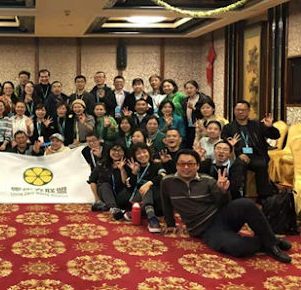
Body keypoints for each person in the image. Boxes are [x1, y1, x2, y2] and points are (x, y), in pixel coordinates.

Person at [161, 149, 291, 263]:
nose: (186, 167)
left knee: (246, 203)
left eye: (190, 164)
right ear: (176, 165)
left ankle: (272, 245)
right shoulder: (167, 182)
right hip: (205, 229)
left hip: (221, 216)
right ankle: (270, 240)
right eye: (182, 164)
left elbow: (223, 203)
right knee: (238, 247)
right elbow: (166, 202)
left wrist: (223, 191)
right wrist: (170, 223)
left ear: (197, 166)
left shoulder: (207, 180)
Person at [221, 101, 280, 202]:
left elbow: (275, 136)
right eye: (237, 110)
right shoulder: (228, 128)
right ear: (234, 111)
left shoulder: (257, 125)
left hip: (256, 155)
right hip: (238, 156)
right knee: (240, 164)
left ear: (248, 111)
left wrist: (270, 127)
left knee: (261, 164)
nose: (240, 112)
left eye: (243, 110)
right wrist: (238, 154)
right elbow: (225, 143)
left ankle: (264, 196)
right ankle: (239, 196)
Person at [114, 143, 165, 233]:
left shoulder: (156, 166)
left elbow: (163, 175)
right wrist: (134, 173)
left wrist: (149, 183)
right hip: (138, 198)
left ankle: (138, 214)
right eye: (138, 153)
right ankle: (150, 217)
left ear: (149, 153)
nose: (142, 155)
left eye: (144, 152)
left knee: (148, 188)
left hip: (155, 198)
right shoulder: (134, 168)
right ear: (135, 157)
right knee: (123, 198)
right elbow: (129, 188)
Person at [88, 143, 129, 214]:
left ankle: (109, 206)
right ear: (109, 151)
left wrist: (122, 169)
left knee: (127, 191)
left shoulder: (128, 164)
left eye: (119, 151)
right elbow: (92, 180)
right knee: (104, 185)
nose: (116, 153)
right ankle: (113, 208)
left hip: (120, 194)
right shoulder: (102, 163)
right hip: (105, 193)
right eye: (114, 150)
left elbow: (125, 182)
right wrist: (97, 199)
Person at [183, 80, 212, 148]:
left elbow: (207, 112)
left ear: (196, 89)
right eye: (187, 88)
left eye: (191, 88)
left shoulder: (203, 99)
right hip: (189, 125)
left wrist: (194, 109)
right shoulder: (185, 100)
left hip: (201, 125)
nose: (189, 90)